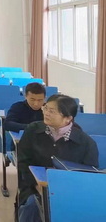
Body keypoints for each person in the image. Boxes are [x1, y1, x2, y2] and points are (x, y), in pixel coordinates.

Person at [17, 94, 98, 222]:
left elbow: (89, 176)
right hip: (34, 187)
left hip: (70, 192)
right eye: (46, 108)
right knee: (32, 206)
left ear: (68, 118)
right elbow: (23, 162)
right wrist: (36, 186)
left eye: (52, 111)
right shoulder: (32, 130)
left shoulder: (86, 143)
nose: (46, 113)